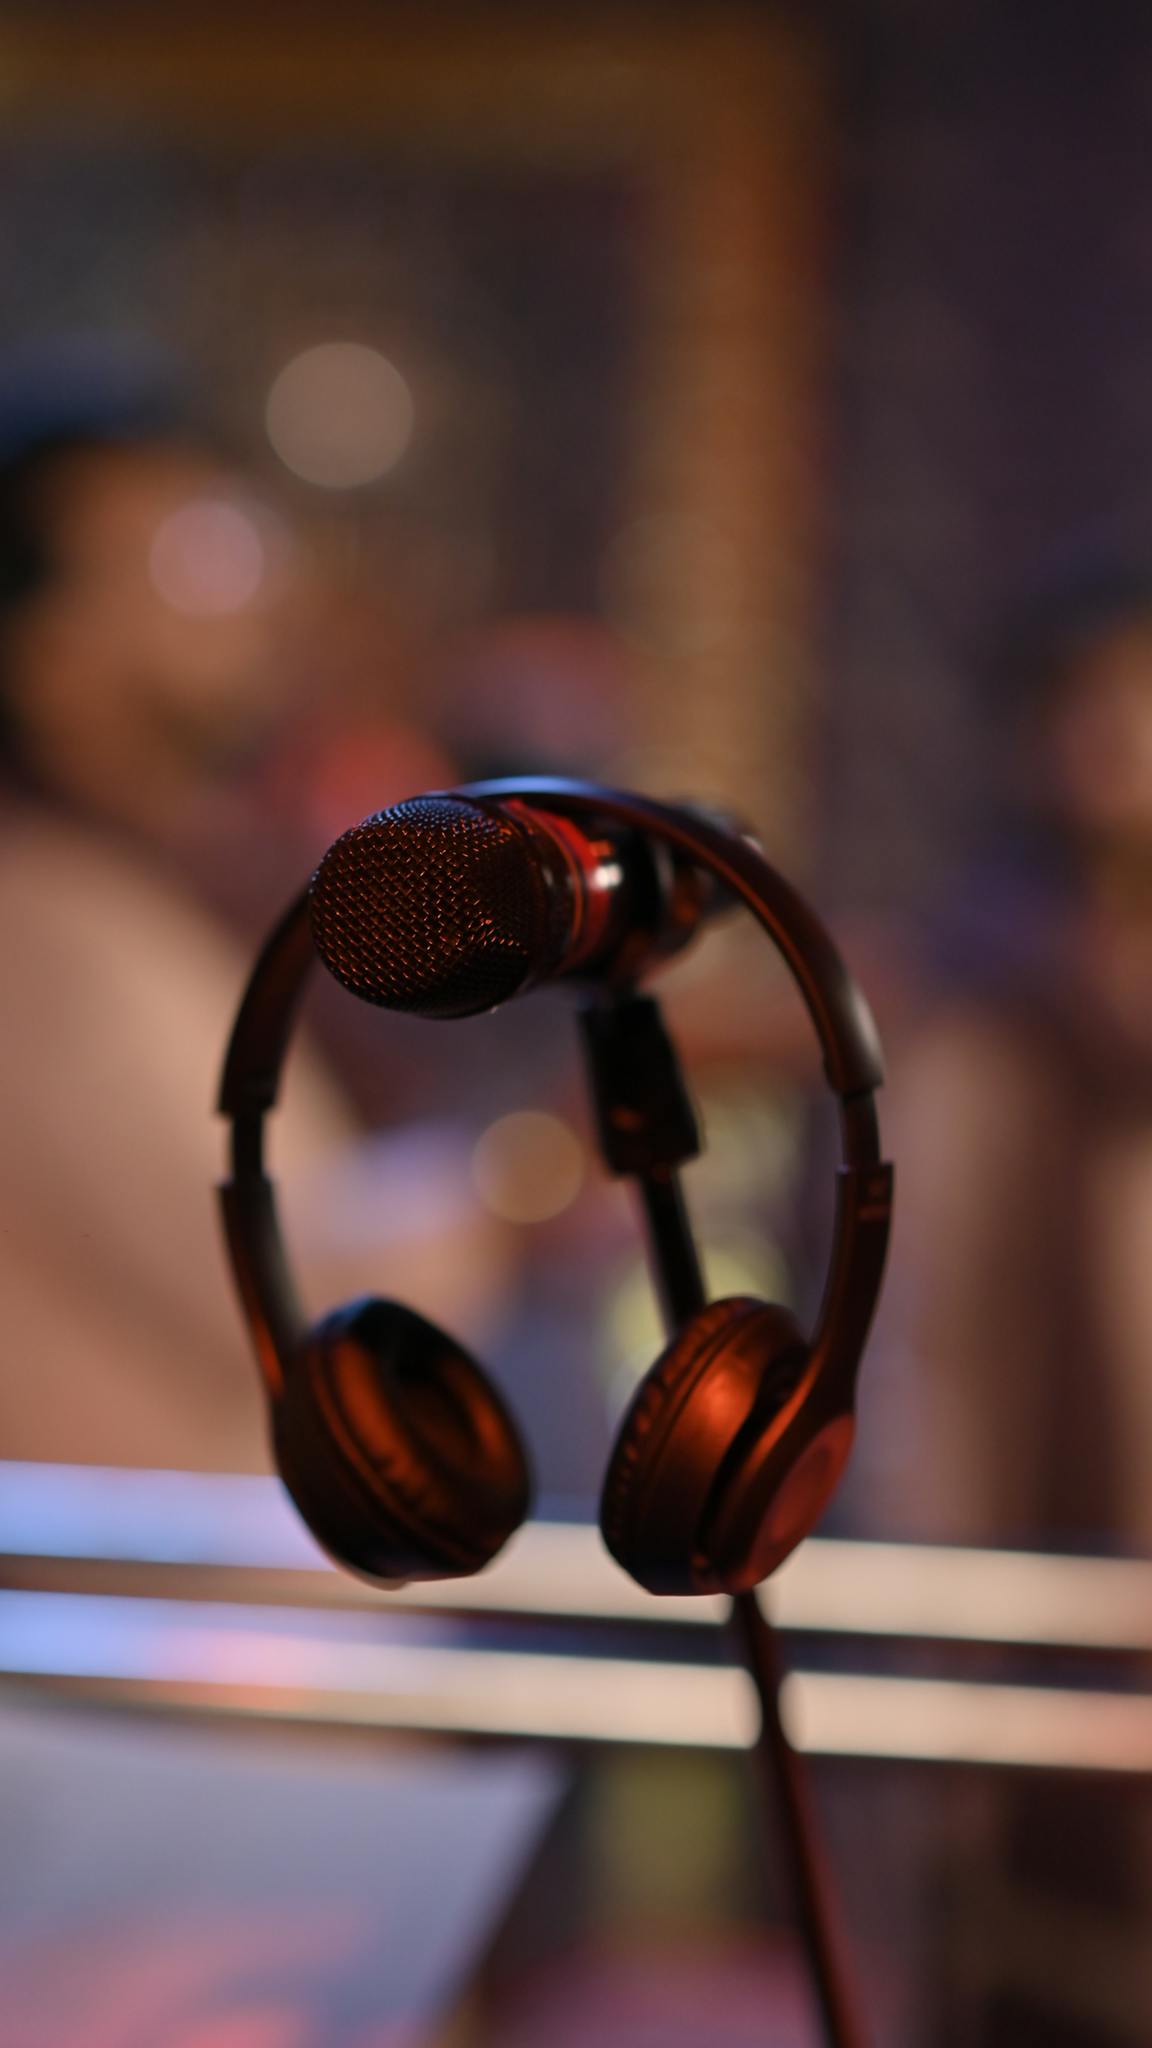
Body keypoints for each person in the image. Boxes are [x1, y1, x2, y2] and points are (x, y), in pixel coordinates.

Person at [0, 402, 512, 1471]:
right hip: (120, 1576)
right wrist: (531, 1177)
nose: (255, 604)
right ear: (44, 648)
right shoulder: (41, 937)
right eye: (189, 562)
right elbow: (301, 1283)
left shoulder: (138, 893)